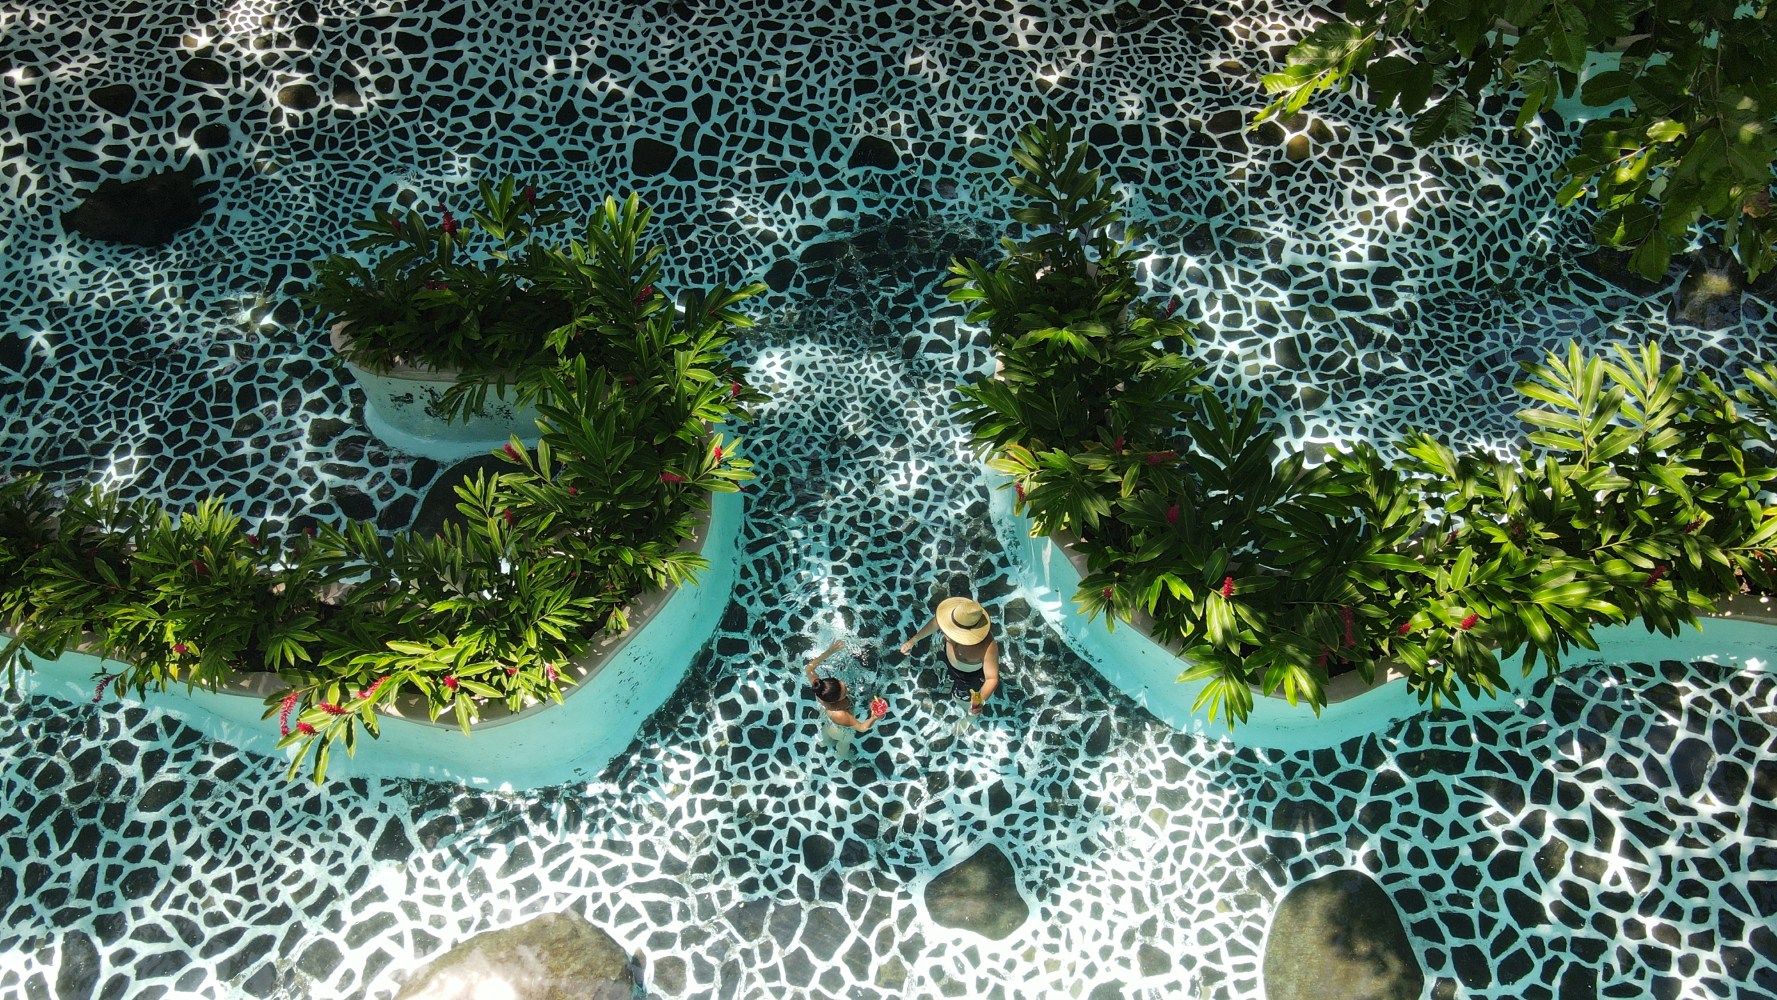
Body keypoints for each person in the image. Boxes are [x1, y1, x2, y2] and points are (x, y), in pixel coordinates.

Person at [899, 596, 999, 714]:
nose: (951, 634)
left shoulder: (986, 646)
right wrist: (913, 640)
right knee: (949, 673)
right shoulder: (951, 619)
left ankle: (962, 701)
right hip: (949, 660)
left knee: (963, 693)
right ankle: (951, 680)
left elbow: (992, 678)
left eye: (957, 632)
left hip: (967, 675)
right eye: (952, 629)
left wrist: (978, 701)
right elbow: (936, 623)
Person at [804, 640, 885, 738]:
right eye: (844, 693)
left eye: (842, 685)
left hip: (830, 722)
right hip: (840, 732)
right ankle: (842, 752)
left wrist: (830, 651)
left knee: (827, 733)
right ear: (837, 700)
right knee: (843, 746)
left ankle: (825, 741)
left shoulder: (821, 688)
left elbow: (809, 668)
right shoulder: (840, 714)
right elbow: (862, 728)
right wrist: (874, 717)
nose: (847, 689)